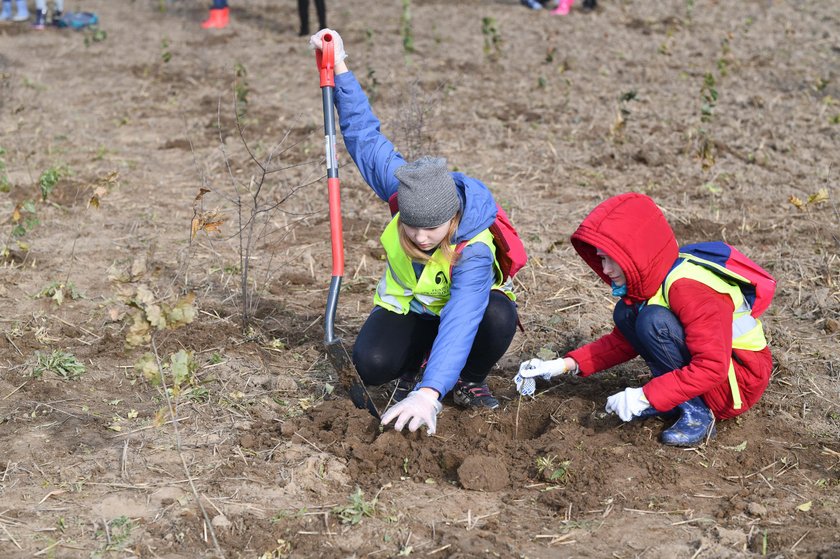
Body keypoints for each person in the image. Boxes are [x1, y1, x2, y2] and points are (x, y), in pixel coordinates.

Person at [309, 29, 520, 436]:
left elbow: (460, 320)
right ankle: (414, 364)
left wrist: (429, 394)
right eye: (412, 226)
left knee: (497, 314)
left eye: (433, 229)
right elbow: (364, 136)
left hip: (466, 316)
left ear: (453, 218)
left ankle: (466, 379)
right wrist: (339, 66)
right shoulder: (405, 188)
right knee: (370, 365)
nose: (421, 237)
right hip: (413, 310)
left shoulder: (473, 249)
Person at [516, 193, 772, 447]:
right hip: (718, 374)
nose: (605, 270)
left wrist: (646, 396)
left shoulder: (688, 288)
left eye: (611, 259)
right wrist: (562, 365)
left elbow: (712, 367)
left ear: (635, 255)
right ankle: (677, 400)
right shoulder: (654, 277)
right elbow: (623, 343)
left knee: (653, 320)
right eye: (602, 259)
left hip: (734, 384)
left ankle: (698, 413)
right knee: (627, 314)